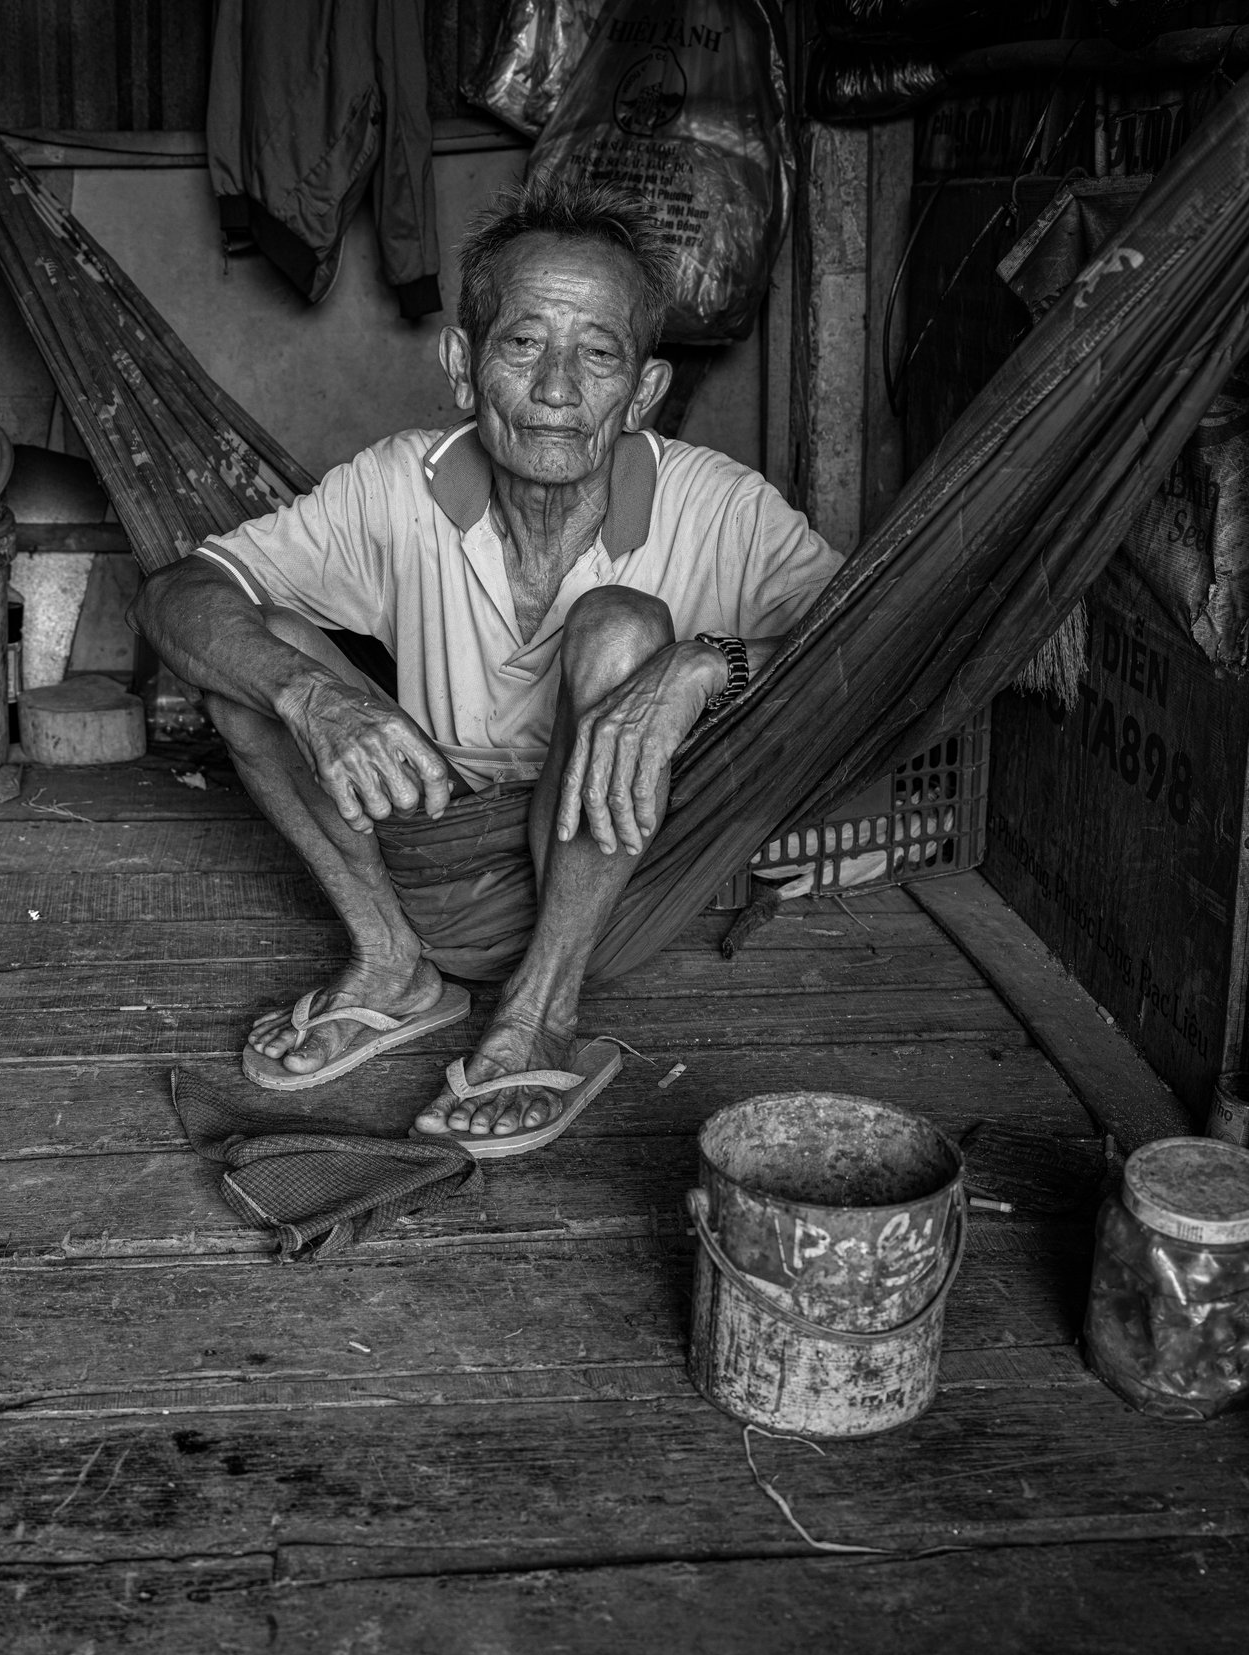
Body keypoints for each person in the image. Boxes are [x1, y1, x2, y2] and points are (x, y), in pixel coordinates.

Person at [138, 176, 841, 1157]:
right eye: (523, 345)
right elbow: (177, 593)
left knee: (621, 626)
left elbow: (860, 655)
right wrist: (311, 695)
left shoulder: (720, 507)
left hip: (618, 891)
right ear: (464, 367)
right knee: (246, 656)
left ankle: (539, 1013)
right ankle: (390, 968)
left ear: (643, 390)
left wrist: (698, 667)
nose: (556, 388)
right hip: (433, 863)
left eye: (597, 355)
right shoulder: (397, 485)